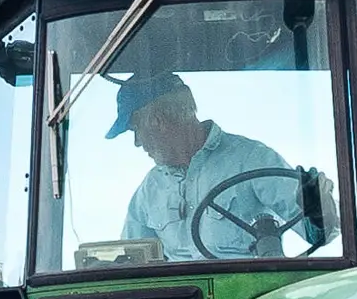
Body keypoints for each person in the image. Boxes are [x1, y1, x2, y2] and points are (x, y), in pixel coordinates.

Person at [113, 71, 318, 260]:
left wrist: (318, 208)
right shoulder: (151, 188)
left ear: (158, 121)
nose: (137, 142)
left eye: (135, 130)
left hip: (244, 293)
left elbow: (318, 233)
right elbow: (130, 264)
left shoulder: (252, 160)